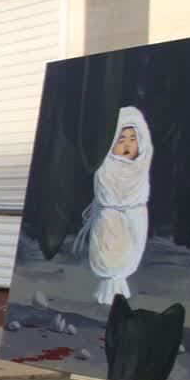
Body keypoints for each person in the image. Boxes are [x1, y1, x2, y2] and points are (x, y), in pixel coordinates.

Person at [73, 106, 154, 305]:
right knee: (109, 248)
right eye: (121, 139)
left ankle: (118, 286)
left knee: (130, 249)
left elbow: (138, 193)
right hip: (109, 216)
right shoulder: (106, 166)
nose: (127, 145)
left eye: (132, 139)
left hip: (134, 216)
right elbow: (107, 193)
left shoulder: (140, 167)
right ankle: (108, 288)